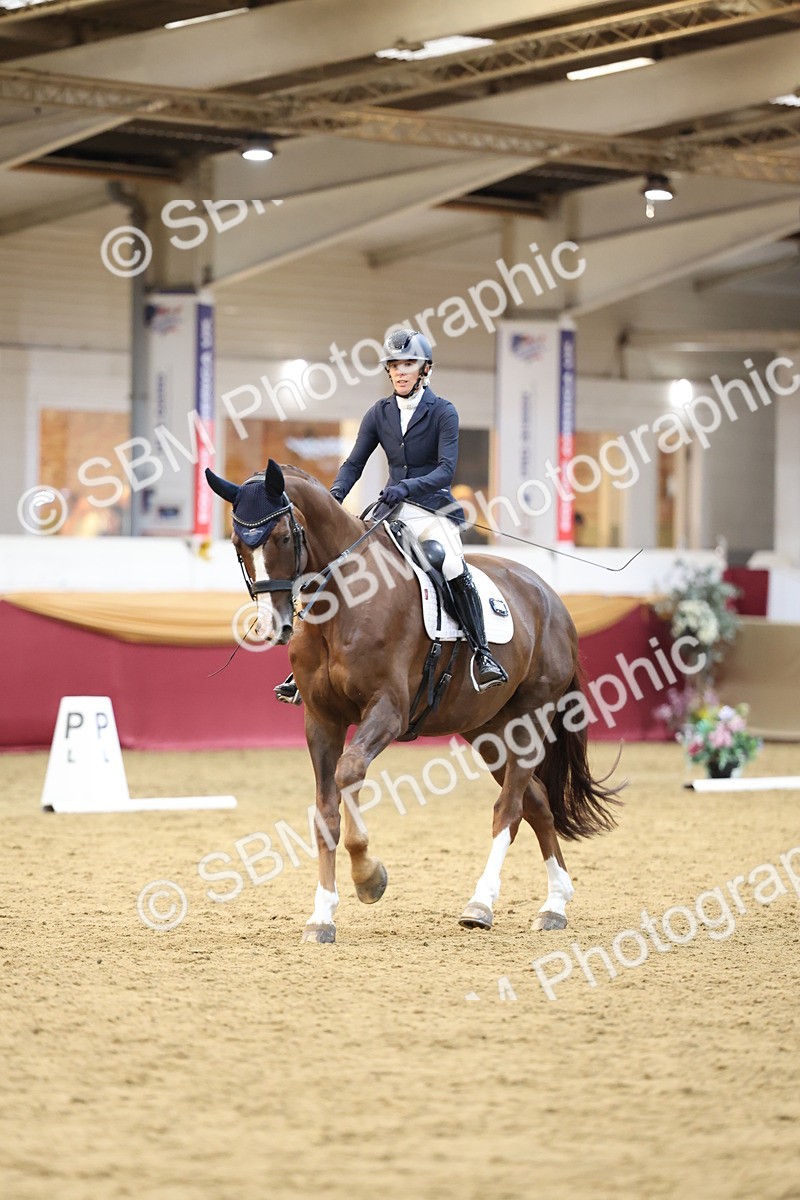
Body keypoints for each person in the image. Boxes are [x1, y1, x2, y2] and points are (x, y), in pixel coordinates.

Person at [275, 328, 508, 703]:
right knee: (343, 567)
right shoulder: (378, 413)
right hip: (391, 509)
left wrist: (407, 488)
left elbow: (446, 470)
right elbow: (354, 463)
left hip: (432, 508)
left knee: (449, 564)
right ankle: (312, 661)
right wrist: (334, 497)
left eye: (408, 364)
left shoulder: (443, 411)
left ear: (424, 368)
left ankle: (482, 654)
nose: (400, 372)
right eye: (395, 365)